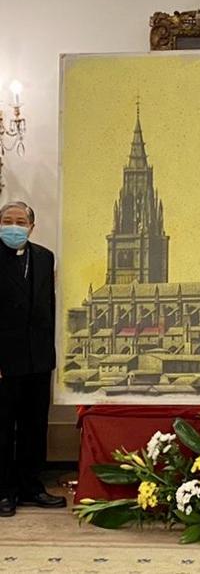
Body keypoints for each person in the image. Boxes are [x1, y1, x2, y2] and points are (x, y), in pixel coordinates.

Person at [0, 201, 66, 517]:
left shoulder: (44, 257)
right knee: (2, 428)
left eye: (20, 221)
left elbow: (48, 309)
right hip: (4, 361)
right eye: (7, 220)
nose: (13, 226)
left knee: (34, 426)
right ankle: (4, 490)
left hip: (38, 359)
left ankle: (31, 487)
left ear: (31, 226)